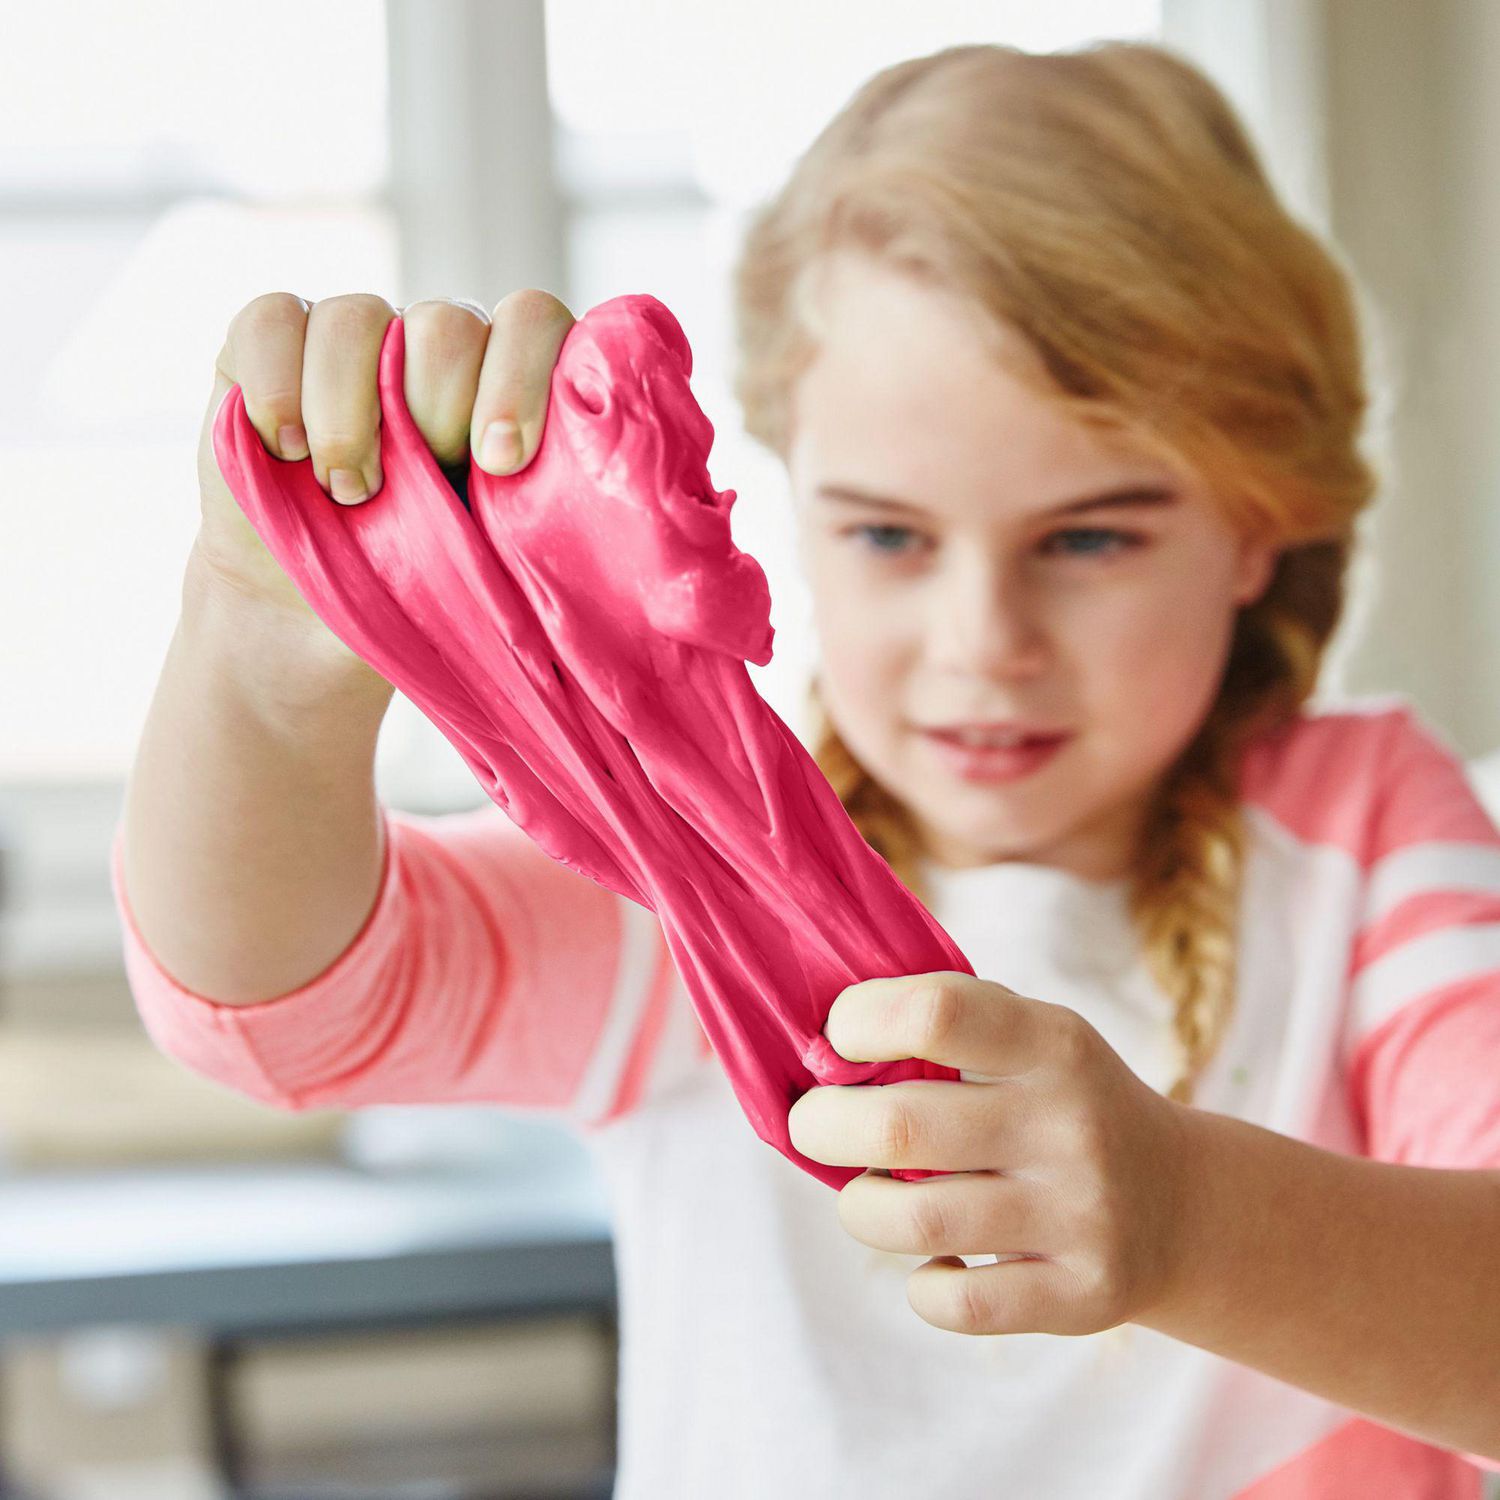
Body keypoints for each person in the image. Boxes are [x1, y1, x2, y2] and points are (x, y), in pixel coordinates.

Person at [110, 39, 1500, 1499]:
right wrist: (261, 651)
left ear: (1259, 524)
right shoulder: (687, 848)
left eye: (1092, 537)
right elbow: (276, 1007)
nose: (985, 643)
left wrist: (1191, 1218)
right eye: (889, 536)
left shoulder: (1370, 835)